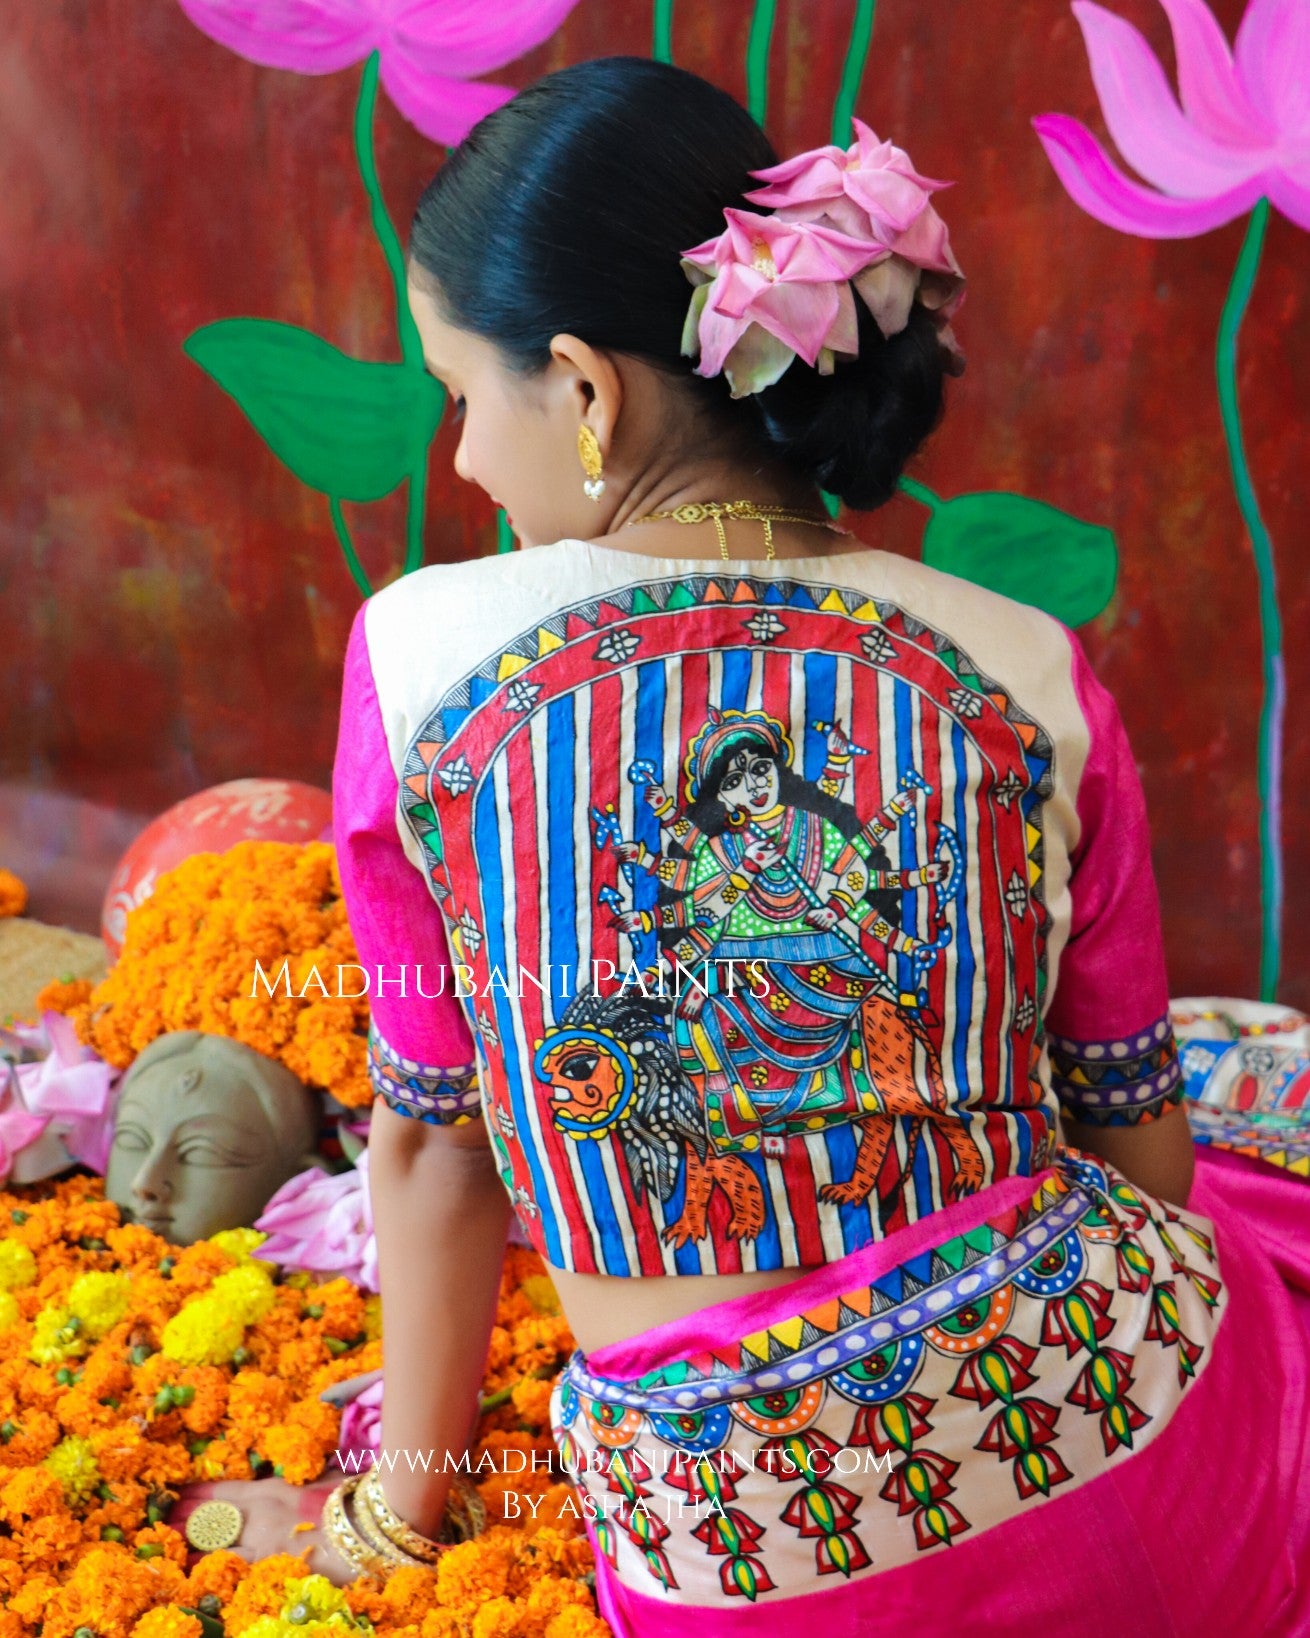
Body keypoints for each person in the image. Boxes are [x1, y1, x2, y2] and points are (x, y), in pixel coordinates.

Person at [250, 56, 1310, 1630]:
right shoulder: (1024, 658)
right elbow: (1131, 1129)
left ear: (585, 386)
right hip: (1151, 1454)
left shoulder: (419, 653)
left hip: (758, 1550)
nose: (464, 458)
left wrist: (396, 1515)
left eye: (461, 396)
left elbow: (430, 1142)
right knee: (1244, 1081)